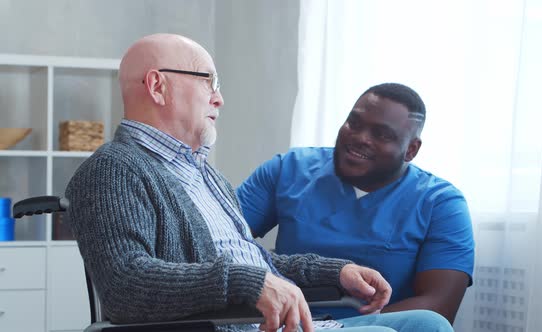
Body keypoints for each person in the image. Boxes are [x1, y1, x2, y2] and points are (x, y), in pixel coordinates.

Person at [64, 34, 444, 332]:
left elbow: (255, 260)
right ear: (157, 86)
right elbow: (126, 285)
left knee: (429, 325)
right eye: (209, 81)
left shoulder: (205, 174)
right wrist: (248, 283)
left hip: (266, 324)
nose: (220, 98)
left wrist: (335, 272)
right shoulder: (114, 169)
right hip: (227, 328)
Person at [237, 83, 475, 327]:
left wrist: (349, 326)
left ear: (411, 150)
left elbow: (440, 305)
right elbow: (216, 237)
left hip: (376, 323)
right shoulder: (287, 170)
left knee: (430, 324)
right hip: (289, 321)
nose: (360, 138)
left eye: (381, 134)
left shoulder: (441, 203)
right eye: (354, 123)